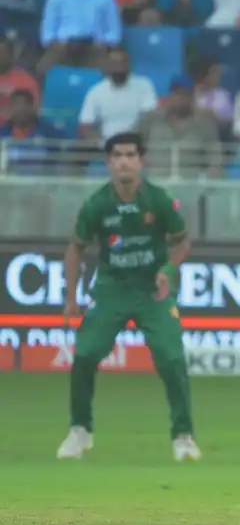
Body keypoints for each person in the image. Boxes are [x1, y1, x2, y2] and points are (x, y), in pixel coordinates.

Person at [55, 131, 202, 463]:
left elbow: (182, 242)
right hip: (112, 289)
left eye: (131, 155)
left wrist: (167, 269)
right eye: (117, 155)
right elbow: (75, 249)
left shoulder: (159, 199)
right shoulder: (97, 204)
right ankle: (80, 430)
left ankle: (183, 436)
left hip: (153, 290)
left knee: (172, 359)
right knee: (85, 355)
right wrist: (70, 296)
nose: (124, 161)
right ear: (108, 162)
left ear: (141, 160)